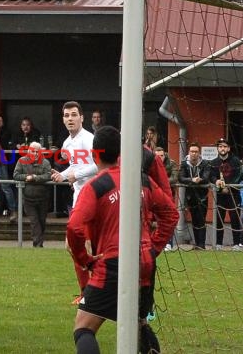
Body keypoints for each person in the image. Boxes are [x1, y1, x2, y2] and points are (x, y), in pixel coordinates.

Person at [66, 126, 178, 354]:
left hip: (112, 263)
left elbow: (74, 227)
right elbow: (171, 213)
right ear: (121, 153)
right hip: (144, 261)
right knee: (140, 323)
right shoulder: (141, 180)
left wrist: (84, 259)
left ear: (94, 154)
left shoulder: (95, 186)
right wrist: (153, 247)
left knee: (83, 328)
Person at [50, 101, 98, 303]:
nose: (70, 118)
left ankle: (93, 291)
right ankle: (87, 291)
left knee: (83, 245)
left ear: (82, 118)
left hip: (94, 197)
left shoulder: (89, 139)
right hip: (79, 197)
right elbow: (74, 167)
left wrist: (74, 175)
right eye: (66, 115)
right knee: (72, 246)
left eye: (73, 115)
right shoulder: (67, 144)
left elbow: (98, 165)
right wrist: (61, 175)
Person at [13, 141, 52, 247]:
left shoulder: (45, 163)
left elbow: (48, 176)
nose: (34, 153)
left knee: (42, 221)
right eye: (32, 151)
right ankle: (37, 244)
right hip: (28, 198)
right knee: (34, 222)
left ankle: (39, 242)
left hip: (43, 197)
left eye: (37, 151)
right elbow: (16, 175)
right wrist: (27, 177)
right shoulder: (21, 161)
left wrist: (35, 178)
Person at [209, 138, 243, 251]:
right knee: (219, 219)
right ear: (217, 148)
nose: (222, 148)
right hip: (220, 196)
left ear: (228, 148)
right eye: (220, 146)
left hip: (233, 194)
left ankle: (236, 244)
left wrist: (227, 186)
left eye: (224, 146)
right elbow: (211, 176)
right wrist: (217, 182)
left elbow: (239, 176)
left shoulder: (235, 161)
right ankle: (218, 244)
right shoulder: (213, 162)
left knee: (235, 219)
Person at [178, 142, 211, 250]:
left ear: (199, 153)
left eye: (196, 151)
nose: (194, 154)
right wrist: (192, 180)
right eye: (192, 151)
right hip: (190, 197)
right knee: (194, 220)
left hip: (202, 197)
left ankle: (201, 244)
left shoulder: (205, 163)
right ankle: (197, 244)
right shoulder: (184, 163)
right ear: (189, 152)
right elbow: (181, 178)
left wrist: (199, 180)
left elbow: (207, 177)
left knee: (201, 220)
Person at [0, 115, 17, 221]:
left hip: (1, 161)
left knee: (5, 186)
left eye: (0, 120)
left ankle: (13, 210)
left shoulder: (6, 133)